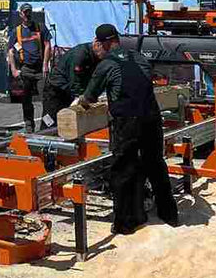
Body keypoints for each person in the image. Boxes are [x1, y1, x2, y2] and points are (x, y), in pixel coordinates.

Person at [76, 24, 178, 235]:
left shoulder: (106, 64)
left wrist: (77, 104)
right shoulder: (139, 57)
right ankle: (169, 214)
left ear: (102, 43)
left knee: (123, 170)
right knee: (155, 164)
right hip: (152, 117)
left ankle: (126, 223)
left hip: (128, 122)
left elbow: (89, 98)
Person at [6, 3, 51, 132]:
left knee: (46, 99)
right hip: (25, 69)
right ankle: (29, 125)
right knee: (26, 100)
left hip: (39, 69)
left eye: (29, 12)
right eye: (25, 12)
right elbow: (10, 50)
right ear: (20, 14)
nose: (27, 14)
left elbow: (48, 45)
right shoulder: (17, 31)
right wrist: (14, 70)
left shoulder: (40, 28)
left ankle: (47, 125)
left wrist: (45, 65)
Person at [41, 41, 99, 129]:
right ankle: (41, 138)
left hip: (68, 91)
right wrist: (81, 98)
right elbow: (75, 82)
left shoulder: (97, 55)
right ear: (98, 44)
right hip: (55, 90)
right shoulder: (80, 55)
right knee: (49, 121)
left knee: (67, 121)